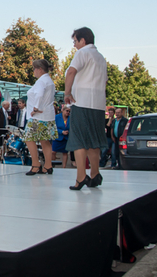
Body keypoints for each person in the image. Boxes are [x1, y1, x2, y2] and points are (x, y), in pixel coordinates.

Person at [64, 27, 108, 190]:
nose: (74, 45)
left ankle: (81, 177)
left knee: (79, 140)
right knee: (94, 140)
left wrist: (67, 92)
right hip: (98, 104)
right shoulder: (100, 57)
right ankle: (95, 174)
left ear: (83, 40)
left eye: (75, 41)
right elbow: (104, 81)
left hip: (82, 102)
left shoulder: (82, 53)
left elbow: (71, 72)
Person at [24, 59, 57, 175]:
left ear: (40, 69)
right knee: (45, 140)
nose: (33, 71)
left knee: (28, 138)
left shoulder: (41, 81)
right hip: (48, 115)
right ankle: (48, 165)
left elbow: (39, 94)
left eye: (34, 69)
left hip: (38, 116)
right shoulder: (49, 81)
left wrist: (35, 108)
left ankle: (35, 164)